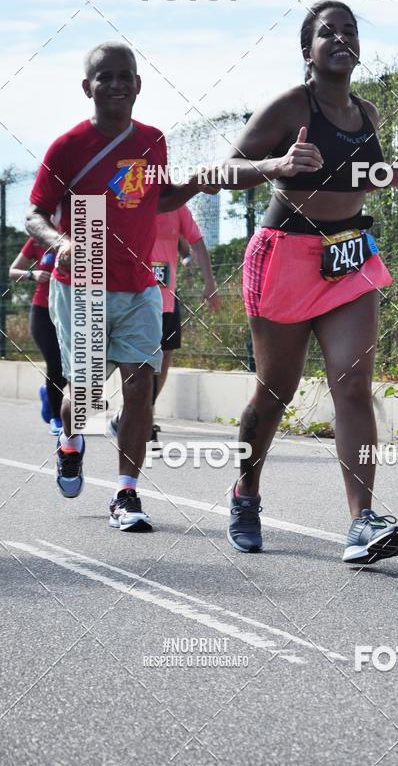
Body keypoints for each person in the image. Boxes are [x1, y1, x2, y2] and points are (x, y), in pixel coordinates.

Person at [219, 0, 398, 564]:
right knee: (276, 391)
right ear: (307, 50)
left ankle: (361, 522)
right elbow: (225, 170)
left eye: (350, 31)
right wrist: (275, 167)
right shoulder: (289, 106)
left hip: (349, 255)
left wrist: (388, 178)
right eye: (327, 32)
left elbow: (355, 180)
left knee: (352, 384)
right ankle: (246, 491)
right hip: (284, 253)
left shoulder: (369, 115)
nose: (340, 38)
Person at [25, 41, 217, 532]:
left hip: (140, 285)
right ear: (87, 87)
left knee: (140, 386)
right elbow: (35, 212)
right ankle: (71, 444)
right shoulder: (68, 147)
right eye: (104, 76)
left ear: (138, 84)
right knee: (85, 394)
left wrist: (196, 183)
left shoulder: (153, 140)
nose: (116, 84)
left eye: (124, 76)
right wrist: (60, 240)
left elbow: (153, 198)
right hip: (84, 279)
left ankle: (127, 494)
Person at [109, 204, 222, 444]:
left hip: (167, 298)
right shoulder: (132, 201)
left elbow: (197, 241)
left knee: (163, 360)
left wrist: (209, 283)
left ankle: (131, 415)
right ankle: (138, 416)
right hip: (136, 298)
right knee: (140, 363)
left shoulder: (177, 205)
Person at [9, 238, 65, 435]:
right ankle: (56, 417)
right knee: (56, 364)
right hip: (42, 312)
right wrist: (32, 274)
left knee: (71, 366)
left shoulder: (80, 236)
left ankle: (48, 393)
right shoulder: (36, 240)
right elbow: (13, 271)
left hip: (71, 312)